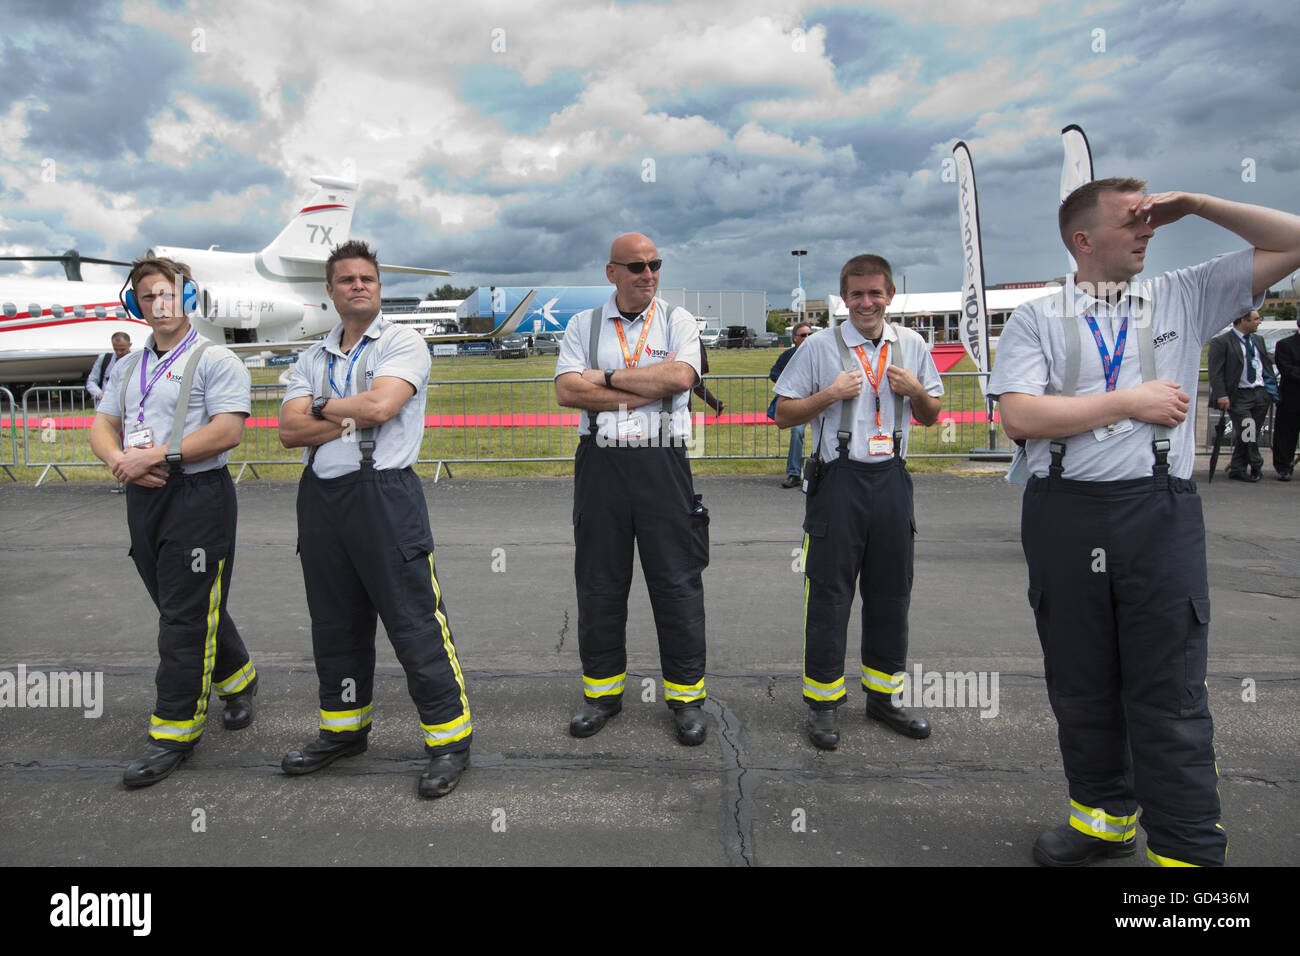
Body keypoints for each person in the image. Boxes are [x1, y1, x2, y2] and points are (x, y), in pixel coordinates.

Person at [988, 178, 1300, 866]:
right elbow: (1021, 415)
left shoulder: (1182, 293)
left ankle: (1188, 857)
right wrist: (1131, 400)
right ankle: (1102, 824)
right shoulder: (1038, 317)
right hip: (1066, 512)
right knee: (1080, 679)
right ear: (1083, 240)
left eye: (1152, 219)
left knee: (1170, 689)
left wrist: (1199, 203)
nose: (1148, 230)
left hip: (1155, 512)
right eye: (1132, 221)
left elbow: (1294, 238)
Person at [278, 240, 472, 799]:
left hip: (384, 497)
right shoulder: (312, 357)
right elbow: (289, 432)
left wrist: (320, 408)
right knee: (334, 625)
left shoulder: (402, 342)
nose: (357, 286)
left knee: (414, 624)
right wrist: (340, 410)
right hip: (322, 502)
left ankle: (449, 741)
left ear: (379, 287)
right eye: (346, 280)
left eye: (367, 278)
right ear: (330, 291)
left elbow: (381, 407)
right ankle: (343, 730)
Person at [90, 256, 256, 788]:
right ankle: (239, 678)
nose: (158, 304)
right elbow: (102, 424)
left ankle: (173, 732)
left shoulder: (216, 359)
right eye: (147, 296)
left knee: (183, 616)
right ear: (135, 304)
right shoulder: (125, 366)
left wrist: (155, 456)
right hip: (142, 492)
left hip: (198, 495)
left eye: (167, 293)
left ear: (187, 298)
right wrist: (120, 461)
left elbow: (227, 431)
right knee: (178, 600)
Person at [773, 255, 943, 750]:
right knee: (829, 594)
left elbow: (932, 415)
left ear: (890, 296)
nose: (867, 303)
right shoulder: (821, 348)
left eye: (876, 293)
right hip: (838, 483)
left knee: (892, 593)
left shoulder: (911, 345)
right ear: (843, 299)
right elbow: (783, 415)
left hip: (891, 480)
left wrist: (914, 390)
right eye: (857, 294)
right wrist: (827, 395)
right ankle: (823, 705)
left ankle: (884, 697)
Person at [553, 232, 709, 746]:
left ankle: (686, 700)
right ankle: (602, 694)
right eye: (636, 267)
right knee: (599, 585)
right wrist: (645, 384)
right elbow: (567, 390)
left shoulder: (678, 320)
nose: (648, 275)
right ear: (611, 272)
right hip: (601, 467)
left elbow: (682, 377)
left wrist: (610, 378)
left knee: (676, 584)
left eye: (654, 265)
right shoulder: (583, 324)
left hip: (663, 464)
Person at [1208, 310, 1276, 482]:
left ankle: (1237, 468)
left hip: (1260, 393)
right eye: (1256, 319)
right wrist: (1221, 395)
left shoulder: (1258, 340)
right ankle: (1256, 462)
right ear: (1243, 321)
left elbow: (1265, 365)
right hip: (1238, 396)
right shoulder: (1221, 342)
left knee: (1247, 434)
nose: (1259, 322)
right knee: (1248, 429)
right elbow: (1216, 373)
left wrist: (1269, 390)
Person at [770, 322, 813, 487]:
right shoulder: (788, 356)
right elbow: (774, 373)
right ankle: (794, 473)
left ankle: (827, 472)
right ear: (795, 338)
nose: (807, 338)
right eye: (803, 335)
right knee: (796, 432)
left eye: (810, 334)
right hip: (799, 402)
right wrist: (789, 385)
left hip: (822, 401)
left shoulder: (820, 353)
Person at [1273, 317, 1300, 480]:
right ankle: (1283, 467)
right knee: (1286, 435)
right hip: (1292, 399)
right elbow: (1287, 370)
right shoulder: (1285, 345)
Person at [86, 332, 132, 406]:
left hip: (128, 406)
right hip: (106, 407)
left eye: (122, 349)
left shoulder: (137, 360)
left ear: (130, 345)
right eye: (115, 349)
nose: (119, 352)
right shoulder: (104, 359)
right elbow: (91, 381)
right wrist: (100, 395)